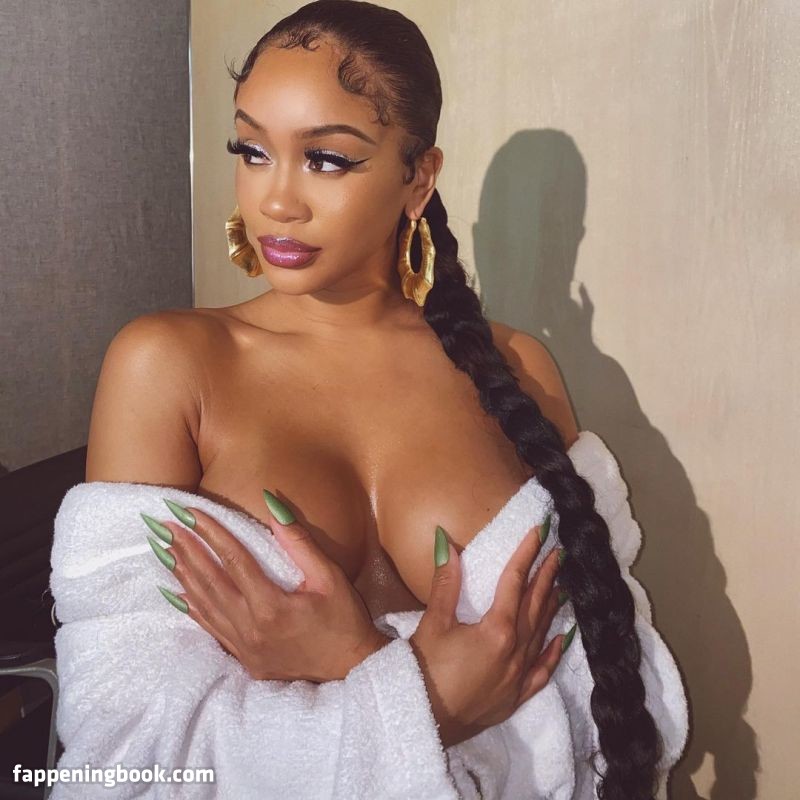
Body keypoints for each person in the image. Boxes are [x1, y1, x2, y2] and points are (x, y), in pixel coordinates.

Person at [57, 2, 685, 798]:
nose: (276, 199)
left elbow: (610, 687)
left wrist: (357, 666)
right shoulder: (168, 365)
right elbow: (119, 748)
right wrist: (430, 702)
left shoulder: (518, 370)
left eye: (326, 159)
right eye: (252, 150)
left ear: (417, 178)